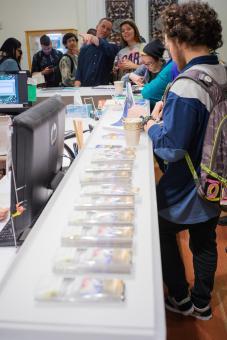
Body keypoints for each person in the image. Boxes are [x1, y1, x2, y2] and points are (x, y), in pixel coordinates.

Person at [144, 1, 225, 320]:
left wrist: (151, 124)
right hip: (216, 177)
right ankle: (203, 302)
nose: (167, 49)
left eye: (166, 41)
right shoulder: (221, 72)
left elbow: (170, 149)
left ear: (178, 39)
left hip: (188, 182)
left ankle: (180, 297)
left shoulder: (188, 83)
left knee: (159, 227)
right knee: (204, 239)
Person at [75, 18, 119, 87]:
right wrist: (76, 89)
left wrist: (93, 37)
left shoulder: (112, 47)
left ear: (110, 32)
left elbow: (109, 51)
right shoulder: (84, 49)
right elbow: (79, 70)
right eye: (103, 26)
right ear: (97, 27)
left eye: (108, 29)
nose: (105, 30)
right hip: (85, 88)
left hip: (103, 89)